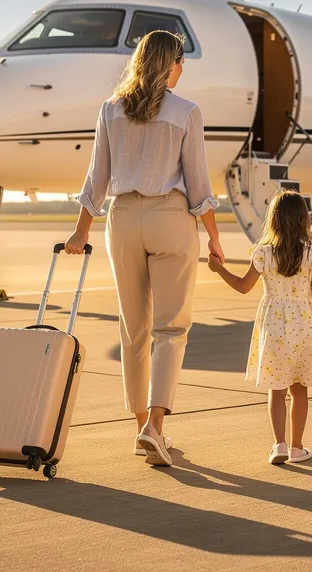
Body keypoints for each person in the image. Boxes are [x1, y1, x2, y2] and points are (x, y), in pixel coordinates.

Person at [65, 30, 225, 467]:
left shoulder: (110, 109)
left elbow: (96, 178)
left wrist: (81, 233)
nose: (181, 70)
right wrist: (213, 236)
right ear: (169, 64)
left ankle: (142, 429)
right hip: (170, 218)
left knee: (133, 330)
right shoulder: (186, 111)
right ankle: (155, 427)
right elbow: (198, 183)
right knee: (171, 329)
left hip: (122, 219)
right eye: (181, 63)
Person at [207, 190, 312, 465]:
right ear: (303, 221)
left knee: (277, 389)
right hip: (304, 326)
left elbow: (244, 286)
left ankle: (279, 445)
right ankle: (297, 447)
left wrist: (219, 269)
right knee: (299, 389)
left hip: (273, 326)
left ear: (274, 220)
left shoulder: (264, 253)